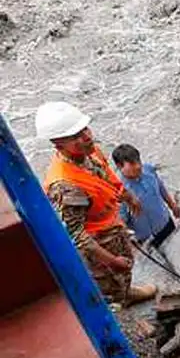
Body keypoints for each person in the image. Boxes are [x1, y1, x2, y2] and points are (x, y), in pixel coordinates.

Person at [36, 102, 158, 306]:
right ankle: (118, 304)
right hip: (98, 241)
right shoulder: (65, 185)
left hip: (112, 225)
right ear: (58, 144)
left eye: (85, 129)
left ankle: (126, 292)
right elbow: (77, 234)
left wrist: (128, 197)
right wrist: (111, 260)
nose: (86, 137)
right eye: (76, 136)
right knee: (108, 278)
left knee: (126, 264)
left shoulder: (90, 151)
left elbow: (107, 176)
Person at [111, 144, 180, 249]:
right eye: (132, 164)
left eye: (138, 161)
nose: (138, 166)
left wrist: (172, 205)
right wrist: (130, 244)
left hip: (167, 223)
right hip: (147, 240)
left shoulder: (148, 170)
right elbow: (122, 222)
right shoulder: (121, 193)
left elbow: (161, 188)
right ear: (119, 166)